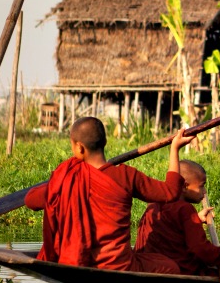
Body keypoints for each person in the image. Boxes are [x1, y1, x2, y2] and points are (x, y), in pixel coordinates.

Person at [25, 116, 193, 273]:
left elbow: (30, 200)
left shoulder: (68, 180)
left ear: (79, 147)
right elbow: (170, 192)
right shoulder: (126, 176)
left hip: (74, 262)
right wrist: (174, 149)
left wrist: (61, 180)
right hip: (119, 266)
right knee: (170, 267)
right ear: (105, 141)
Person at [136, 160, 220, 278]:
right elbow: (200, 248)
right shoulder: (185, 209)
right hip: (181, 272)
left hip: (148, 269)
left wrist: (196, 219)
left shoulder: (154, 203)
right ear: (184, 186)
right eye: (201, 186)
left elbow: (172, 227)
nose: (204, 192)